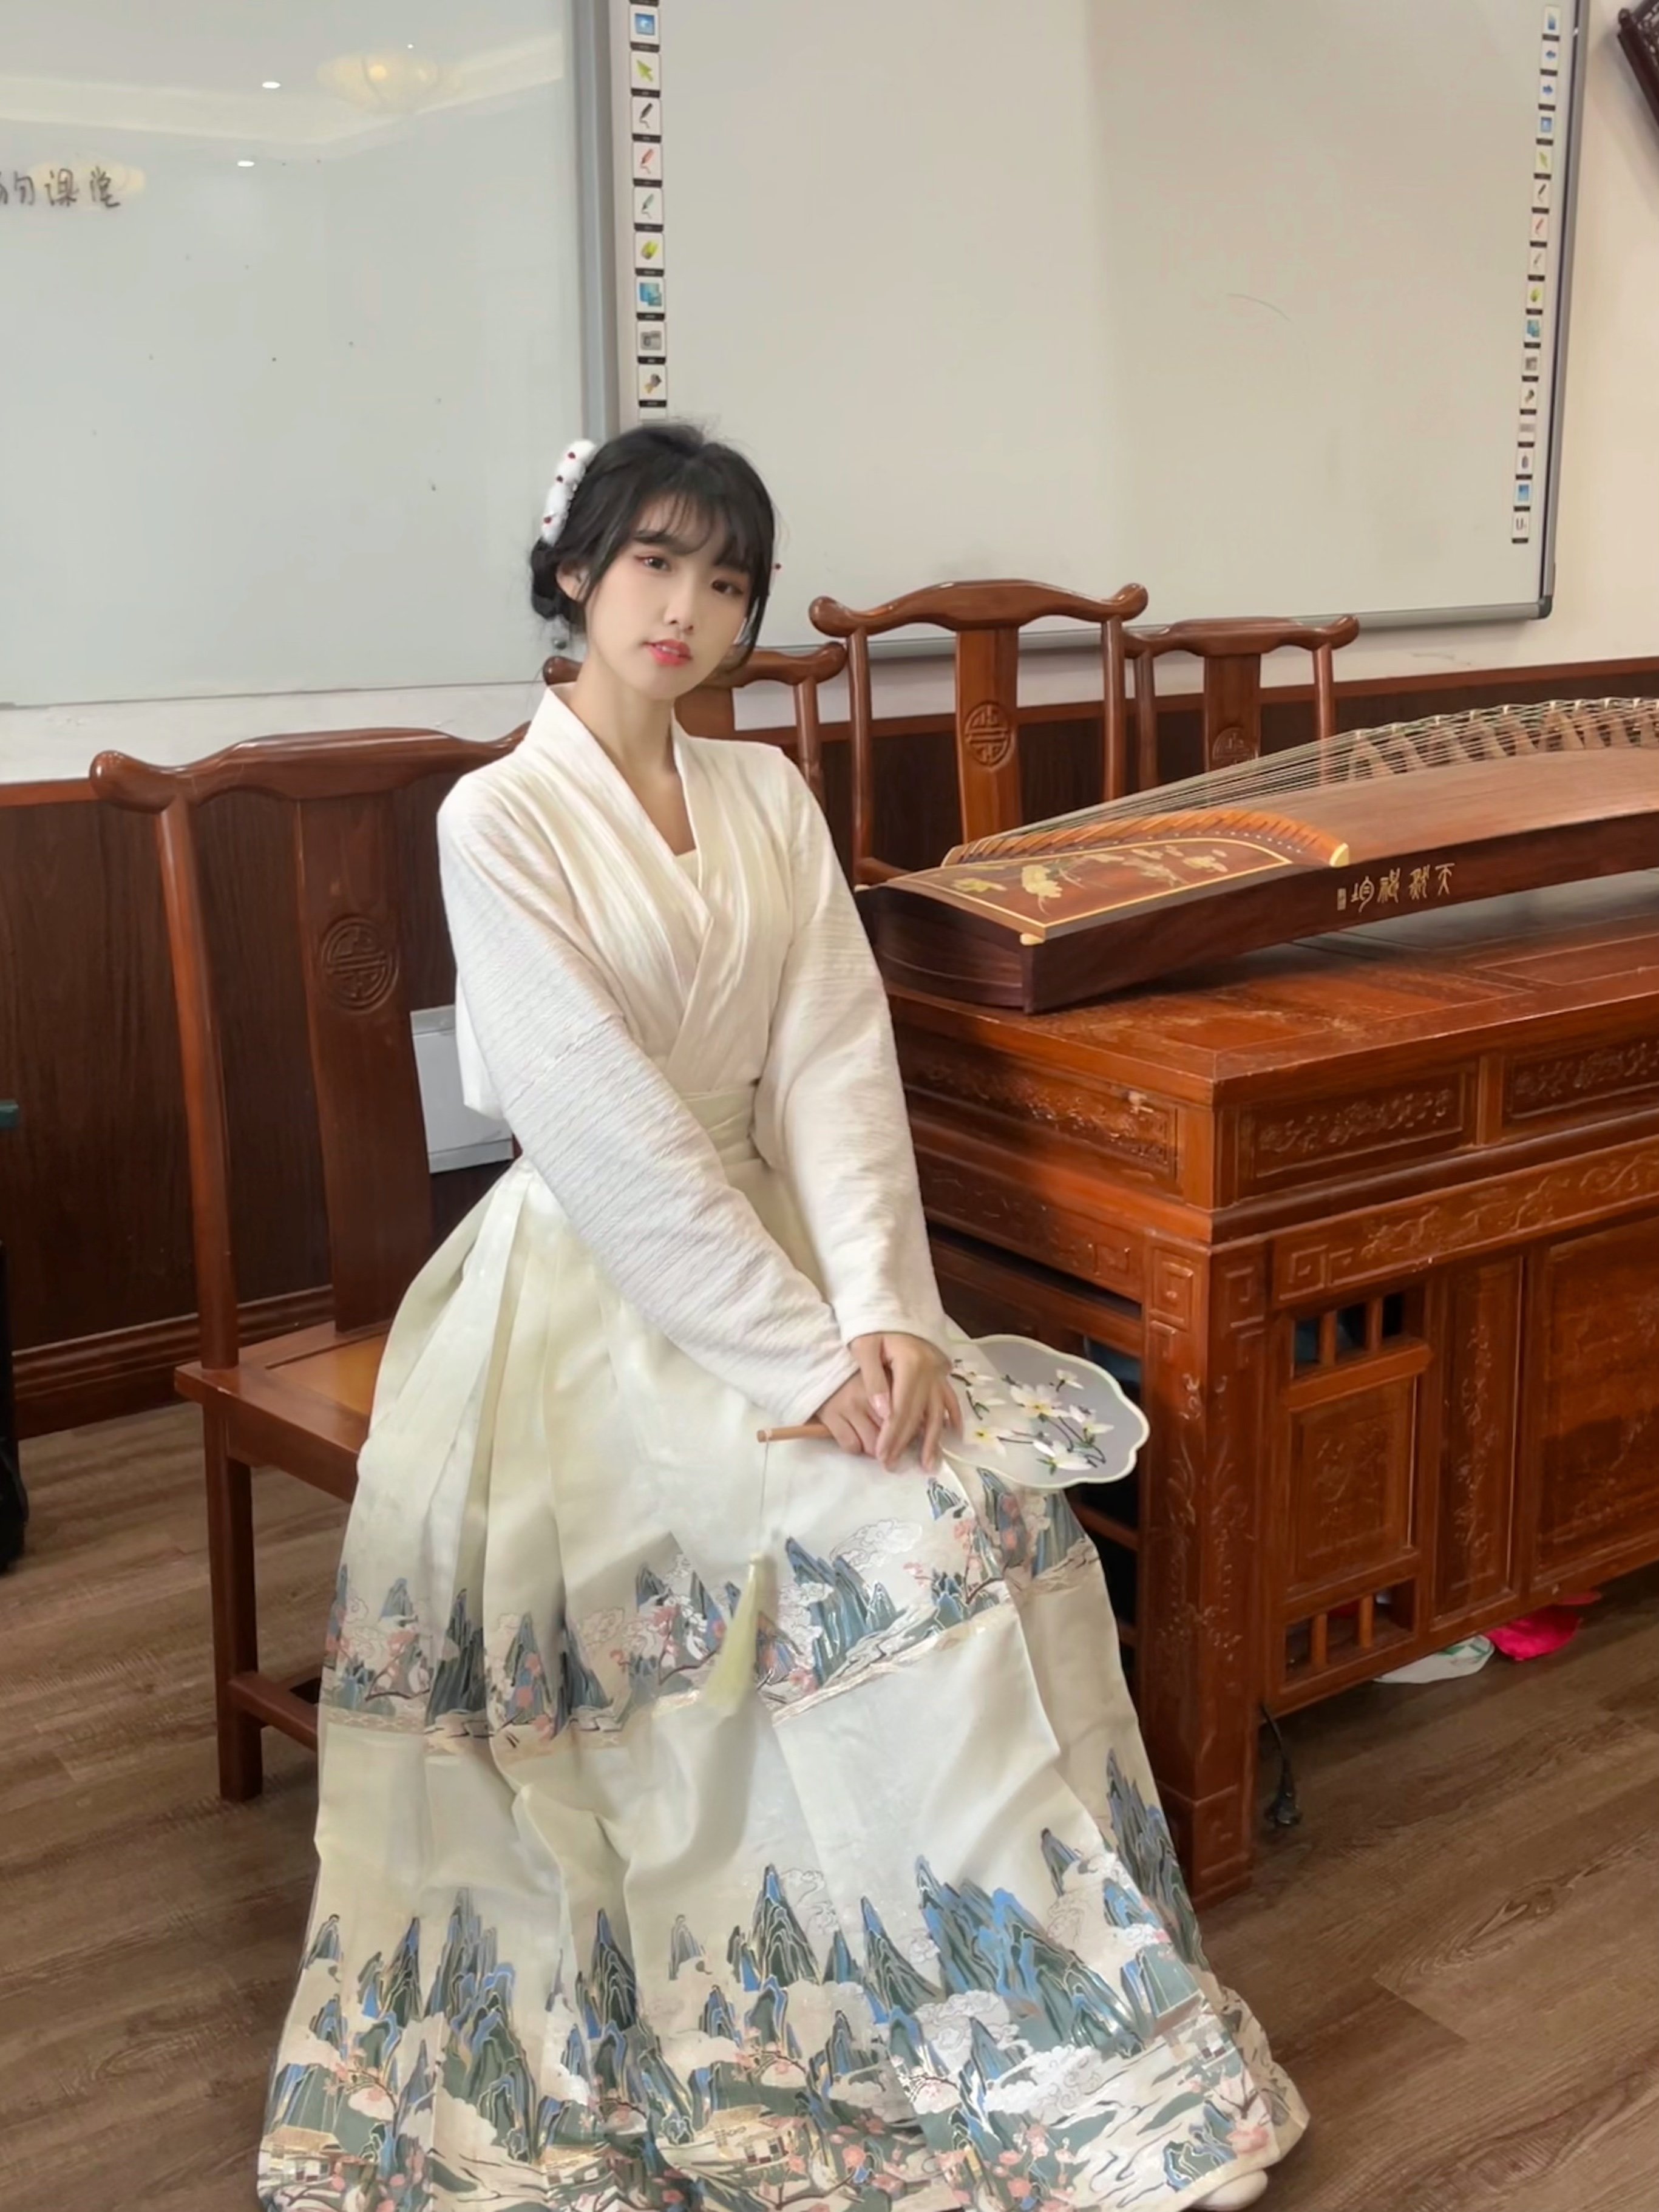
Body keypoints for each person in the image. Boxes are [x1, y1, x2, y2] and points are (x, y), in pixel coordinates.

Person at [259, 423, 1305, 2212]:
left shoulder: (764, 794)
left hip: (792, 1249)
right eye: (654, 562)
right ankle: (813, 2009)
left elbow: (832, 1056)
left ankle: (1028, 2004)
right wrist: (805, 1362)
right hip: (594, 1282)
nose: (689, 606)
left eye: (727, 578)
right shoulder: (496, 815)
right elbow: (599, 1123)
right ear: (575, 573)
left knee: (977, 1493)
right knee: (859, 1524)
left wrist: (885, 1311)